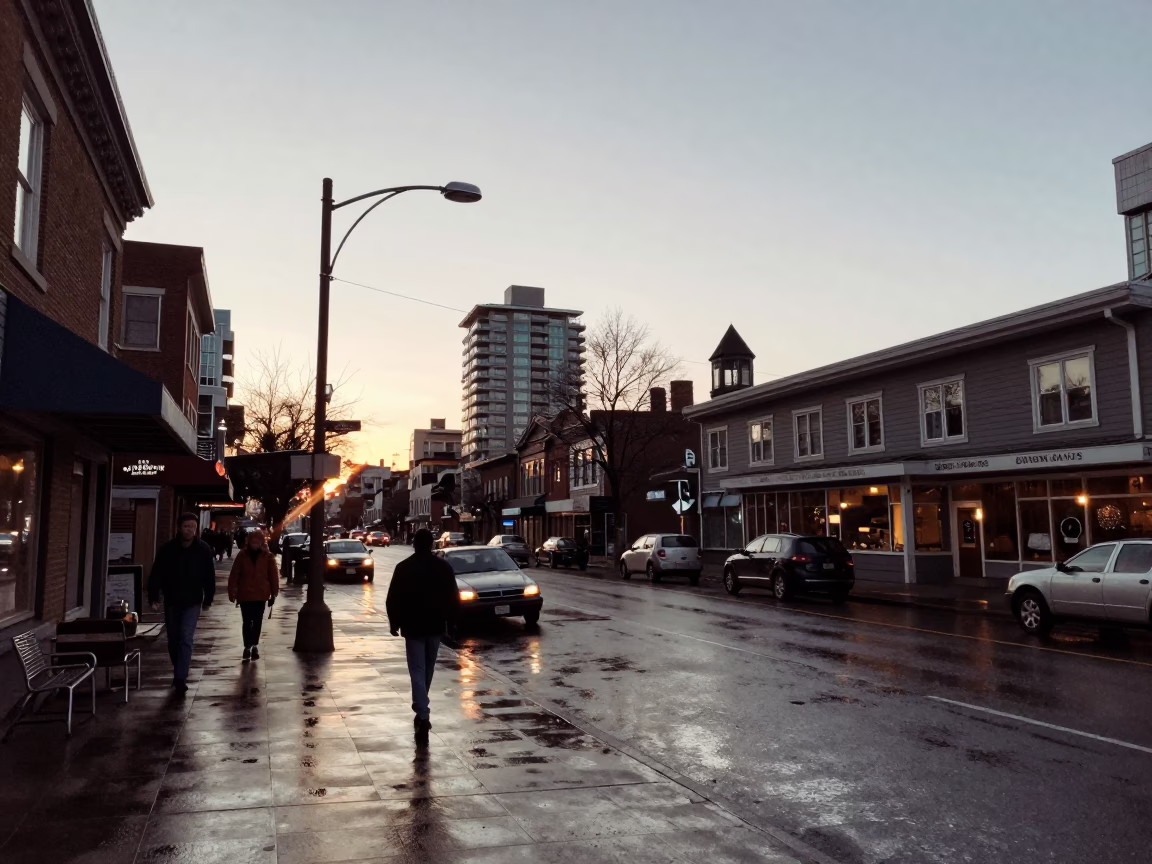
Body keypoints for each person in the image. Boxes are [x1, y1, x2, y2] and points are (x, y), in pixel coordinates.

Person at [385, 528, 460, 745]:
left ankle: (423, 713)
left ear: (414, 544)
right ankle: (422, 710)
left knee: (417, 670)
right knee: (427, 669)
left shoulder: (404, 568)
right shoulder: (443, 567)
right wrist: (452, 622)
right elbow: (453, 597)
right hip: (435, 626)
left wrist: (394, 622)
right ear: (431, 545)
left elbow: (393, 598)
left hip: (413, 626)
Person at [149, 512, 216, 692]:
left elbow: (209, 576)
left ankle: (180, 677)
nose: (189, 530)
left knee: (186, 637)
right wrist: (154, 597)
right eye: (186, 526)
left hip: (193, 600)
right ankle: (178, 667)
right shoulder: (168, 549)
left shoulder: (203, 549)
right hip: (172, 599)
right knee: (173, 639)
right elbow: (157, 574)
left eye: (193, 527)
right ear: (179, 528)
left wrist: (208, 598)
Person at [227, 528, 279, 660]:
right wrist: (232, 590)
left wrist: (274, 593)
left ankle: (253, 644)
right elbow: (235, 574)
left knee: (257, 621)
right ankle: (248, 646)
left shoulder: (267, 556)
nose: (255, 545)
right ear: (249, 542)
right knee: (247, 621)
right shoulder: (242, 555)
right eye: (253, 542)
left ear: (261, 543)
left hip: (261, 594)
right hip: (245, 595)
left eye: (257, 542)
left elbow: (273, 576)